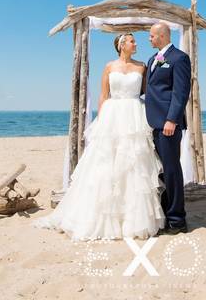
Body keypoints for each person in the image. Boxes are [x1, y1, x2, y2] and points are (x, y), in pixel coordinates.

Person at [32, 33, 165, 241]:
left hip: (134, 115)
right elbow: (104, 95)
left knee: (134, 164)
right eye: (132, 41)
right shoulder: (109, 66)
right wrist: (102, 120)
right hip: (113, 116)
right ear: (122, 45)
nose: (135, 43)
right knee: (106, 164)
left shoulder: (142, 66)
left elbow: (149, 93)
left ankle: (133, 219)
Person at [144, 22, 192, 235]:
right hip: (153, 123)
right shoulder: (153, 59)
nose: (149, 39)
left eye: (151, 36)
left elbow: (180, 93)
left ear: (162, 36)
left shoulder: (179, 58)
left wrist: (172, 119)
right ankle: (165, 210)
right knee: (161, 170)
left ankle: (177, 219)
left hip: (168, 125)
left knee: (172, 170)